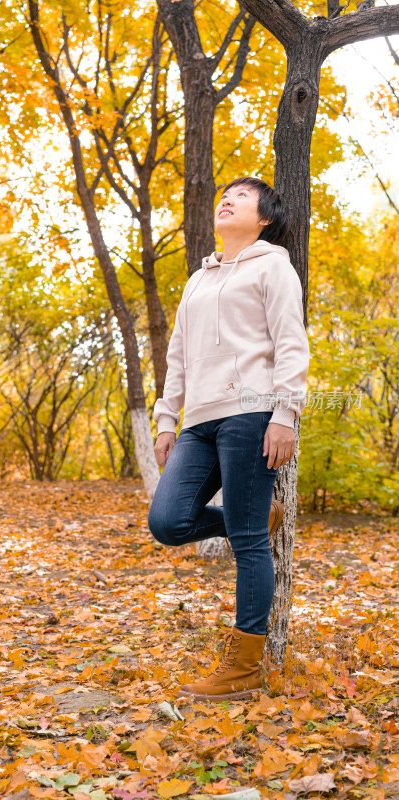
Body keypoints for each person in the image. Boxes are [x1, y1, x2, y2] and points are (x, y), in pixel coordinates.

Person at [148, 176, 310, 702]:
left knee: (246, 545)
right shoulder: (198, 280)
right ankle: (260, 513)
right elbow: (177, 356)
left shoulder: (273, 266)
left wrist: (285, 414)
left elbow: (290, 342)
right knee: (168, 522)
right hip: (198, 419)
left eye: (241, 196)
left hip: (251, 411)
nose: (227, 199)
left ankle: (243, 668)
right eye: (224, 194)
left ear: (264, 217)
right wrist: (167, 420)